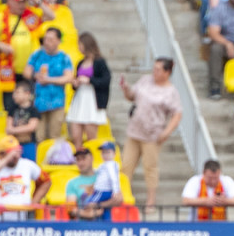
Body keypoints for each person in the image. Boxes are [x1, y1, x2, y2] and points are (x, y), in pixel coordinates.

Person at [120, 57, 182, 208]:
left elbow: (177, 113)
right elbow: (132, 97)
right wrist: (126, 89)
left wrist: (167, 132)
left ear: (167, 72)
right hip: (135, 130)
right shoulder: (145, 80)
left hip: (152, 134)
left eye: (158, 69)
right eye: (154, 68)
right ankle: (122, 196)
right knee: (126, 165)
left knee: (150, 167)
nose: (155, 72)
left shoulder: (171, 92)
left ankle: (151, 201)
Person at [0, 136, 48, 219]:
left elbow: (46, 181)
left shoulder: (28, 165)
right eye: (11, 153)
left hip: (21, 218)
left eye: (17, 152)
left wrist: (33, 203)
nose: (15, 156)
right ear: (1, 154)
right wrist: (6, 160)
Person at [63, 145, 125, 220]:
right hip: (83, 228)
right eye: (78, 159)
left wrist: (98, 205)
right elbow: (71, 210)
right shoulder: (72, 183)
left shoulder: (104, 175)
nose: (81, 162)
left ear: (92, 158)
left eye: (84, 158)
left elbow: (119, 199)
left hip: (104, 225)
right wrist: (90, 215)